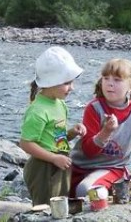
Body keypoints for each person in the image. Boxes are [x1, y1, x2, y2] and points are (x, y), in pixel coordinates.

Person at [70, 58, 131, 199]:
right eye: (106, 78)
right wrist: (105, 133)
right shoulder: (93, 108)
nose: (110, 83)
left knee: (84, 190)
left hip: (111, 168)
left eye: (117, 80)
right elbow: (88, 151)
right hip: (78, 167)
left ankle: (115, 189)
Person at [19, 46, 86, 205]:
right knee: (44, 208)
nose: (72, 88)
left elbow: (56, 137)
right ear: (51, 82)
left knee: (59, 205)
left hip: (59, 163)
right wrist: (54, 158)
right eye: (67, 83)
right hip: (43, 168)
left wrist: (71, 132)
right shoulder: (38, 111)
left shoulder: (60, 104)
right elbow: (26, 143)